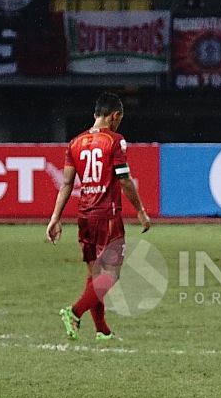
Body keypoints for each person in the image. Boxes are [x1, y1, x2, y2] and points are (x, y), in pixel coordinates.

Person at [47, 92, 151, 340]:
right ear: (115, 115)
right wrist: (140, 210)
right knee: (111, 274)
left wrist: (55, 218)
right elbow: (124, 180)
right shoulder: (115, 141)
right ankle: (74, 312)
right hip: (108, 215)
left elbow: (67, 185)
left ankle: (102, 330)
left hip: (85, 216)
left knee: (93, 277)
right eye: (119, 119)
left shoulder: (74, 143)